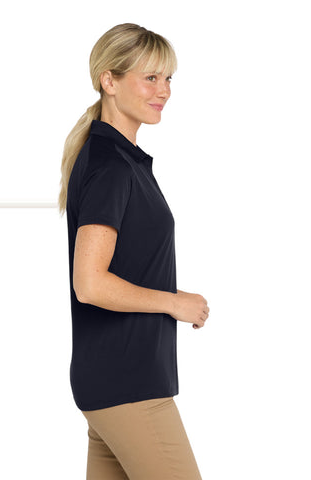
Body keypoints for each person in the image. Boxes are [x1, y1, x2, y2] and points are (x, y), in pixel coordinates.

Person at [58, 23, 210, 479]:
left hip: (112, 380)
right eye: (150, 78)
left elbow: (121, 267)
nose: (164, 91)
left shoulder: (119, 160)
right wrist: (173, 302)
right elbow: (89, 283)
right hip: (130, 385)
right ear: (109, 80)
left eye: (168, 78)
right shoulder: (112, 167)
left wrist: (171, 295)